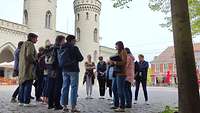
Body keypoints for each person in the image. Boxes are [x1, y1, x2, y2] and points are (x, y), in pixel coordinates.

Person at [60, 35, 84, 112]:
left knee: (65, 87)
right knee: (74, 88)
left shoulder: (62, 47)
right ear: (72, 40)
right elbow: (81, 58)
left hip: (64, 70)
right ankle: (73, 107)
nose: (75, 42)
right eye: (74, 40)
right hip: (73, 70)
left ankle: (64, 106)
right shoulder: (74, 48)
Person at [18, 33, 38, 107]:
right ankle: (26, 102)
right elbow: (29, 55)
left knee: (22, 84)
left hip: (22, 67)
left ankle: (21, 101)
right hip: (28, 67)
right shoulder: (30, 44)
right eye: (36, 38)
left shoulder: (23, 44)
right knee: (28, 84)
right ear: (32, 38)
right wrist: (35, 61)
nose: (37, 40)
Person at [46, 36, 65, 110]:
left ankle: (50, 104)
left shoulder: (51, 48)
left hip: (50, 70)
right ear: (60, 41)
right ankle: (57, 104)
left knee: (51, 87)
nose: (64, 42)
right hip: (57, 69)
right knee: (57, 87)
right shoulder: (58, 48)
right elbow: (60, 61)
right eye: (64, 40)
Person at [110, 41, 127, 112]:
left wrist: (115, 62)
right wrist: (111, 62)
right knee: (114, 88)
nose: (115, 47)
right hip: (116, 73)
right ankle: (116, 104)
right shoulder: (117, 53)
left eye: (116, 45)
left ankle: (122, 107)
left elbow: (124, 62)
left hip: (121, 73)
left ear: (119, 45)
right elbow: (115, 62)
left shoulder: (123, 52)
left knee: (120, 90)